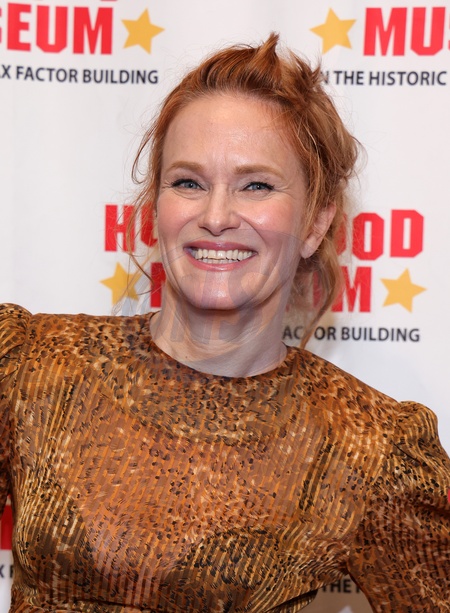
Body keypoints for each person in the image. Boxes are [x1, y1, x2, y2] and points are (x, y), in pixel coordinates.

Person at [0, 33, 449, 612]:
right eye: (188, 183)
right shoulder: (33, 368)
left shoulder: (365, 446)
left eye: (255, 185)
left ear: (316, 223)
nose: (215, 216)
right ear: (156, 207)